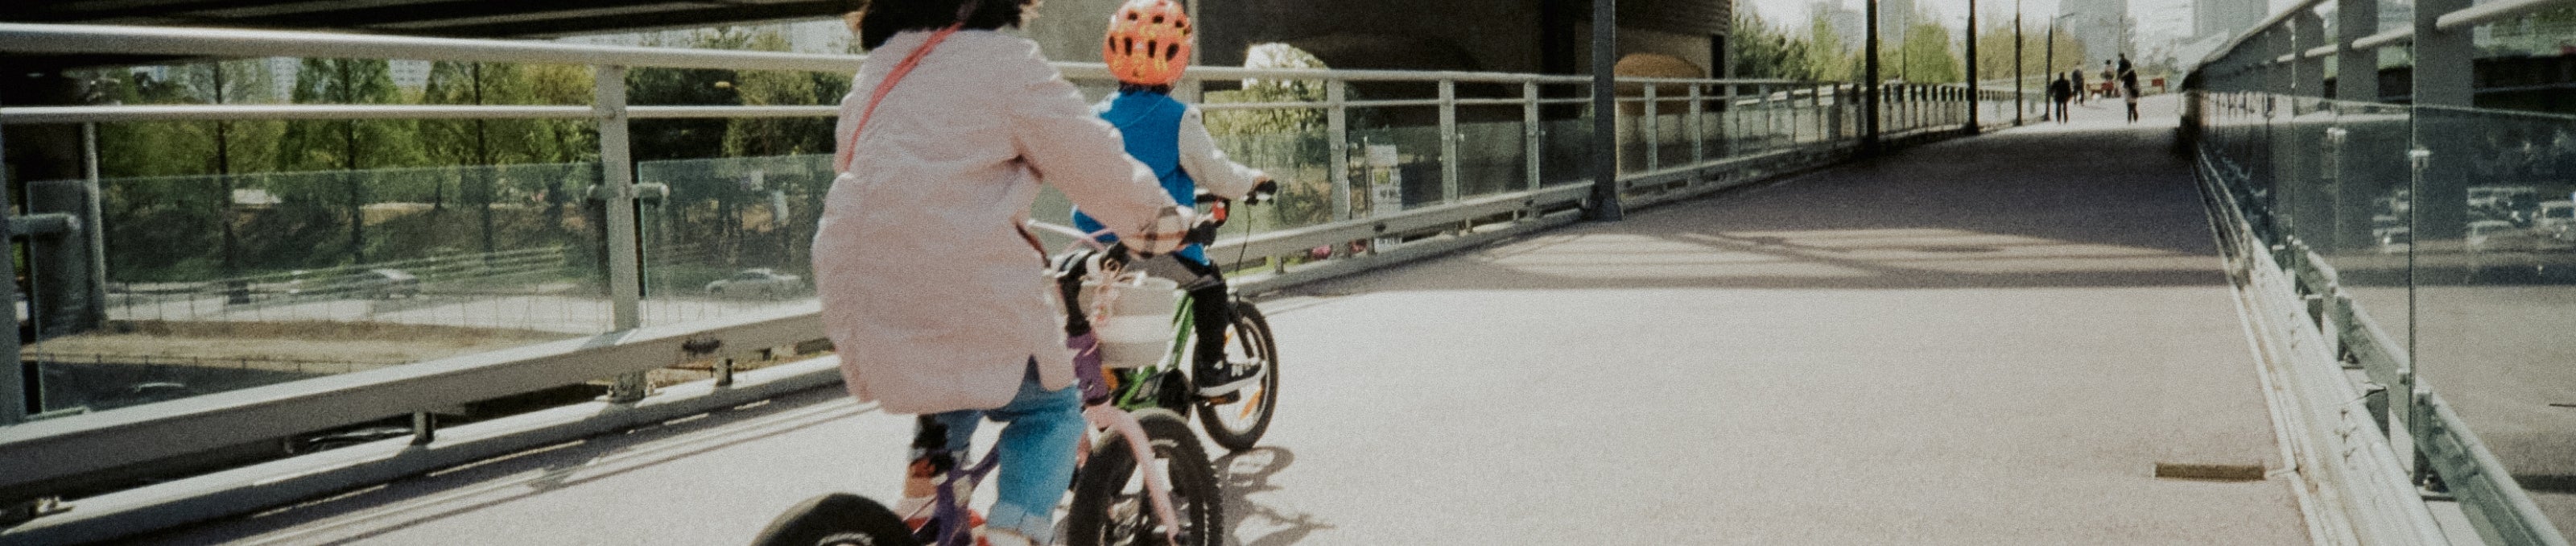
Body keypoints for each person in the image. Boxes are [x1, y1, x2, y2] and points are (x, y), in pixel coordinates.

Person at [815, 1, 1193, 544]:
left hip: (854, 279)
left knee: (954, 380)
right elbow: (1094, 162)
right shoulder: (1006, 64)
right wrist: (1161, 225)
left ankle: (924, 501)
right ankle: (1013, 535)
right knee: (1053, 410)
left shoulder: (880, 68)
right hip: (954, 278)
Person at [1073, 0, 1278, 398]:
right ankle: (1213, 369)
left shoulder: (1093, 116)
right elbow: (1218, 174)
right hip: (1152, 246)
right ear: (1178, 59)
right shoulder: (1179, 117)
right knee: (1210, 283)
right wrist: (1253, 181)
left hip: (1095, 244)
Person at [2117, 55, 2141, 122]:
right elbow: (2138, 87)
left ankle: (2129, 120)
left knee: (2129, 109)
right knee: (2134, 107)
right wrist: (2139, 93)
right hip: (2134, 95)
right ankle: (2135, 119)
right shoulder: (2135, 80)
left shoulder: (2126, 82)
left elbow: (2123, 89)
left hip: (2128, 96)